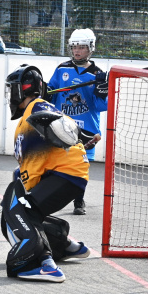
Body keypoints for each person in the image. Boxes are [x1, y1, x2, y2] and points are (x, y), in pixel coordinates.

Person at [1, 64, 93, 283]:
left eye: (11, 90)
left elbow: (32, 167)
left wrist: (21, 191)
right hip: (70, 174)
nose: (10, 96)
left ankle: (43, 263)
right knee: (21, 206)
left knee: (17, 208)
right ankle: (64, 245)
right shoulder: (42, 107)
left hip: (65, 175)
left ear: (20, 91)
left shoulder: (32, 115)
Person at [46, 29, 107, 215]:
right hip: (61, 126)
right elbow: (50, 95)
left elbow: (100, 106)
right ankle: (47, 198)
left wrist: (101, 90)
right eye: (74, 47)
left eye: (82, 47)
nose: (77, 51)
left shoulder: (97, 75)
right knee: (54, 165)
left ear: (90, 48)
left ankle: (78, 201)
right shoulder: (62, 69)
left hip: (86, 130)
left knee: (81, 167)